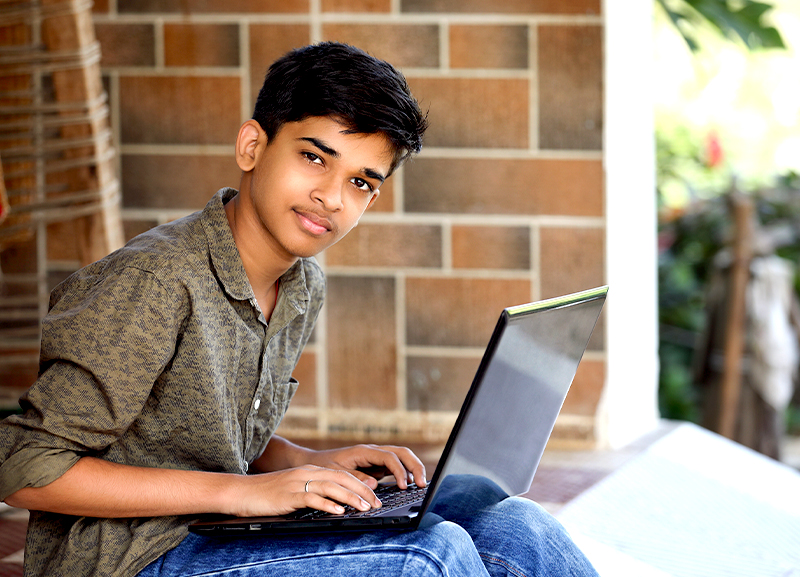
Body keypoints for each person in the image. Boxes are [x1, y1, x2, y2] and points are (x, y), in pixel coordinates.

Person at [0, 42, 599, 577]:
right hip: (131, 557)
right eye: (315, 157)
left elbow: (206, 429)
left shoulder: (301, 282)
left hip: (213, 530)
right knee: (431, 555)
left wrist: (306, 462)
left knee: (512, 524)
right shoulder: (154, 282)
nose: (332, 197)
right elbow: (24, 467)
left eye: (362, 182)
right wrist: (244, 495)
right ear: (252, 145)